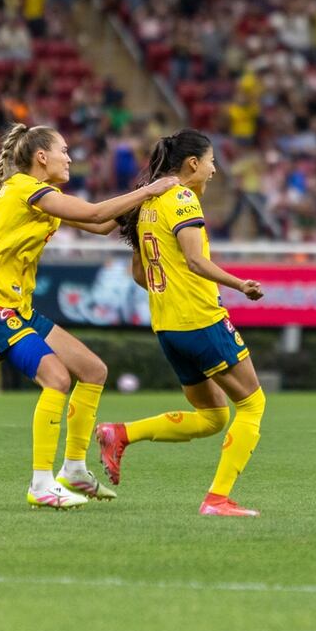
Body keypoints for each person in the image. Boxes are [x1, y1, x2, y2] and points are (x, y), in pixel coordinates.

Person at [0, 123, 178, 510]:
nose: (69, 157)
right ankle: (41, 484)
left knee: (93, 371)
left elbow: (102, 224)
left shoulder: (43, 195)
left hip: (18, 308)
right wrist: (150, 190)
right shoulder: (27, 190)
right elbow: (95, 211)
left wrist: (147, 198)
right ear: (41, 156)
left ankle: (74, 470)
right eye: (63, 150)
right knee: (57, 379)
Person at [97, 129, 267, 517]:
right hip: (200, 319)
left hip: (168, 327)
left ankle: (120, 434)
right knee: (253, 405)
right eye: (211, 162)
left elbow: (139, 273)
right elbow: (194, 260)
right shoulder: (183, 199)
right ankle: (217, 499)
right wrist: (240, 284)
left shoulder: (147, 204)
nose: (214, 170)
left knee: (214, 417)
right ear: (193, 163)